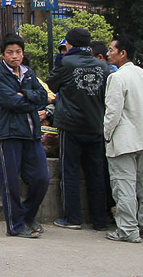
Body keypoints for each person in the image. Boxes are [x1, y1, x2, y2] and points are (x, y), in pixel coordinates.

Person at [48, 27, 113, 231]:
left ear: (70, 43)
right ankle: (99, 220)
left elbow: (52, 84)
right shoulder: (102, 66)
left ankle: (73, 218)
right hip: (95, 125)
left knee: (70, 172)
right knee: (96, 174)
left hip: (71, 125)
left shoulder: (66, 63)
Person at [0, 33, 50, 238]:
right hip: (10, 134)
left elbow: (43, 97)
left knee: (42, 177)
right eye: (10, 53)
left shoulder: (29, 73)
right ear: (3, 55)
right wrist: (28, 99)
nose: (15, 56)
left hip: (32, 134)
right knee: (11, 183)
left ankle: (28, 215)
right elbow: (11, 102)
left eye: (18, 52)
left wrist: (26, 95)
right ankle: (15, 225)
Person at [103, 35, 143, 243]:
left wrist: (107, 134)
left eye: (111, 50)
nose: (108, 54)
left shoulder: (117, 78)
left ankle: (127, 229)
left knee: (124, 185)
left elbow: (113, 112)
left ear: (122, 53)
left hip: (124, 140)